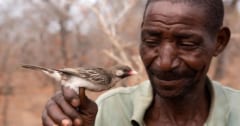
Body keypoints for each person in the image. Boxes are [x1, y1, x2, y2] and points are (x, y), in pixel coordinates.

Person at [42, 0, 240, 126]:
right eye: (151, 41)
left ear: (219, 42)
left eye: (187, 44)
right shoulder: (108, 111)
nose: (164, 63)